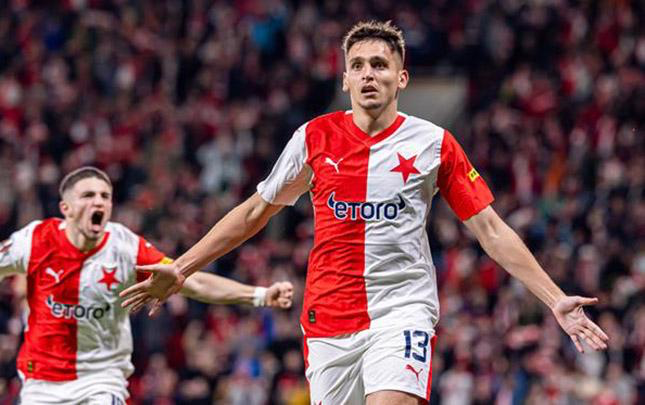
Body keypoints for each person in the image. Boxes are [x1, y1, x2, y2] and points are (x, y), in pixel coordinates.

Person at [121, 20, 609, 405]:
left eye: (379, 64)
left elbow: (490, 229)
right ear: (345, 78)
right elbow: (253, 213)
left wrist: (553, 298)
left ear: (402, 78)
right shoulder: (313, 138)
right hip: (328, 319)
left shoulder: (433, 144)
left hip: (403, 310)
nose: (368, 74)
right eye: (357, 65)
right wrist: (181, 267)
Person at [0, 166, 294, 404]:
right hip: (41, 382)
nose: (99, 202)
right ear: (66, 207)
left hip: (100, 381)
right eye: (88, 195)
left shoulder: (124, 247)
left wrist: (259, 294)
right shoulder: (34, 240)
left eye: (105, 196)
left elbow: (190, 281)